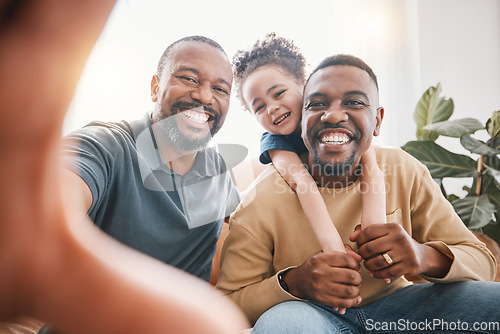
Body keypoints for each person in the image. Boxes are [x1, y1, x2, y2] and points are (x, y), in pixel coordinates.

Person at [0, 1, 248, 334]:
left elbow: (237, 248)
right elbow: (52, 201)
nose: (205, 96)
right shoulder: (106, 144)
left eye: (220, 89)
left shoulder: (218, 173)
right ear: (154, 87)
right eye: (189, 78)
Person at [216, 54, 500, 332]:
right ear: (303, 118)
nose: (334, 114)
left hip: (402, 309)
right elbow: (227, 304)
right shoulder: (261, 198)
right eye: (317, 104)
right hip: (310, 314)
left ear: (377, 120)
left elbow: (482, 262)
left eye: (353, 102)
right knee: (284, 324)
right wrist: (294, 282)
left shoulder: (402, 169)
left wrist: (423, 255)